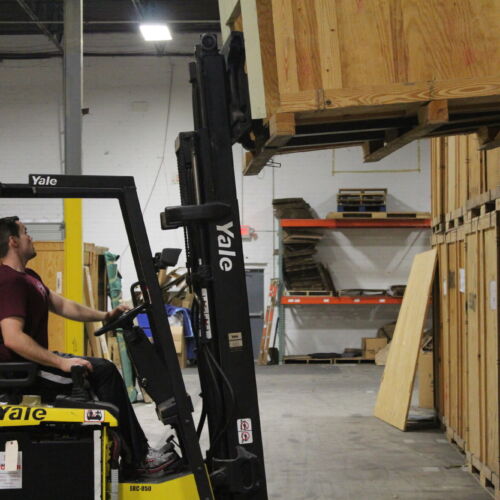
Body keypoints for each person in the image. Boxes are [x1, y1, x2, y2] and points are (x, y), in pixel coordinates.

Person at [0, 216, 177, 475]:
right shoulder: (9, 282)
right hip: (22, 371)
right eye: (26, 233)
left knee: (102, 369)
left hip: (32, 364)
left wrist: (104, 316)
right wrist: (61, 362)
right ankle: (138, 459)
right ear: (13, 241)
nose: (31, 237)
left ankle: (133, 453)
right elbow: (13, 338)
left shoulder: (28, 277)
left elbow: (62, 305)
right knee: (102, 372)